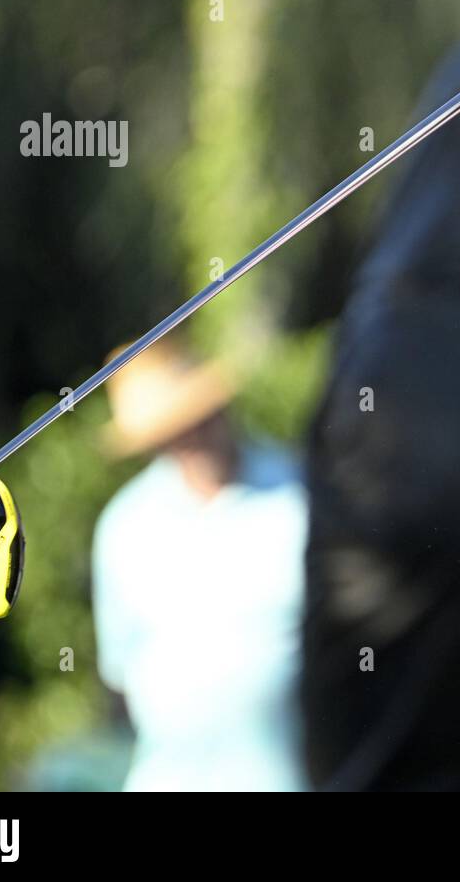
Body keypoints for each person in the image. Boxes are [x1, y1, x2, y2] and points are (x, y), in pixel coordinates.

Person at [91, 338, 309, 791]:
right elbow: (120, 675)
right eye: (171, 431)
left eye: (196, 418)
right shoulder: (124, 528)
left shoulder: (301, 493)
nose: (191, 438)